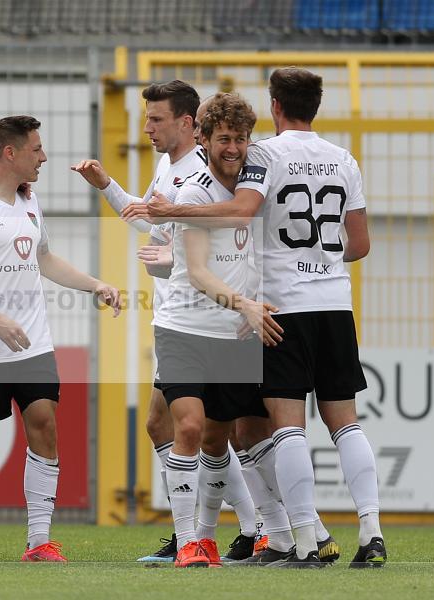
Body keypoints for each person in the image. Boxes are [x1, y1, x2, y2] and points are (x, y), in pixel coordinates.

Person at [140, 68, 384, 568]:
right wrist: (320, 260)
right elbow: (358, 245)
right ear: (316, 105)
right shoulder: (344, 158)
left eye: (238, 138)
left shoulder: (264, 156)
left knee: (283, 428)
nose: (235, 147)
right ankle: (369, 533)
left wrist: (172, 214)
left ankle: (302, 540)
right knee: (344, 424)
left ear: (275, 106)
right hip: (335, 301)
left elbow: (243, 210)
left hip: (278, 308)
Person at [73, 81, 257, 563]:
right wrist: (108, 188)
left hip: (200, 318)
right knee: (169, 424)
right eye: (146, 118)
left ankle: (227, 529)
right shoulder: (168, 166)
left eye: (156, 120)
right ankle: (222, 529)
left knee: (201, 431)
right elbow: (156, 226)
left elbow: (213, 241)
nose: (147, 128)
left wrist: (171, 260)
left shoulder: (200, 171)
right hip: (180, 316)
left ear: (187, 123)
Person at [0, 115, 121, 563]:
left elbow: (46, 258)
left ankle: (38, 542)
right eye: (37, 149)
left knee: (45, 426)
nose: (45, 157)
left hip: (34, 345)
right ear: (9, 153)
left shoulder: (30, 202)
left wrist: (96, 285)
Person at [151, 92, 278, 568]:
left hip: (235, 332)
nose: (235, 147)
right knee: (187, 426)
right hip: (184, 326)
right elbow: (200, 273)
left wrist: (252, 303)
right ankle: (188, 543)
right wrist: (244, 303)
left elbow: (249, 241)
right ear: (202, 140)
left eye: (242, 138)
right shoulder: (194, 192)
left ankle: (218, 534)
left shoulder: (251, 180)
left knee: (220, 438)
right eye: (224, 138)